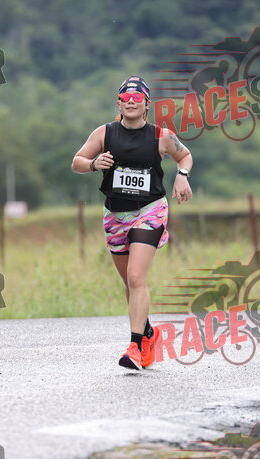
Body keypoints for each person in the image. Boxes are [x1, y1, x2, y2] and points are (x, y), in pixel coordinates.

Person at [72, 75, 194, 370]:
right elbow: (76, 161)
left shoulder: (161, 135)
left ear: (146, 104)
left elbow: (185, 155)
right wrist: (93, 164)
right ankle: (148, 334)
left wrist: (182, 176)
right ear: (118, 103)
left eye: (136, 98)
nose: (130, 102)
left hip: (150, 210)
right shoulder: (105, 133)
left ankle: (135, 346)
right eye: (125, 98)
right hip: (115, 215)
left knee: (137, 278)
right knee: (129, 282)